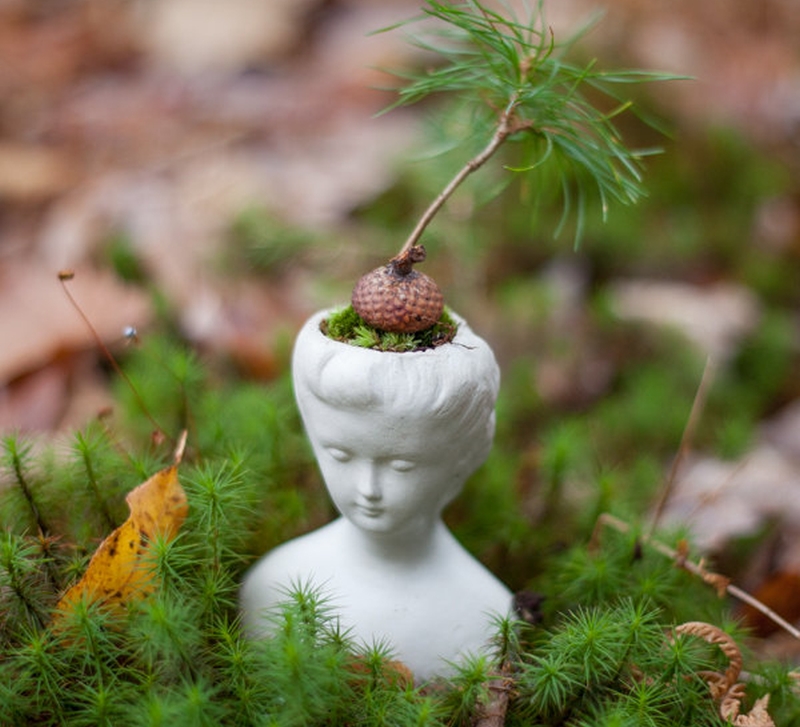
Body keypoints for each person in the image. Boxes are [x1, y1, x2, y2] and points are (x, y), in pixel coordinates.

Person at [240, 310, 512, 681]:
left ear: (459, 458)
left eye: (401, 465)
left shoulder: (486, 620)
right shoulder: (273, 588)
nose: (368, 488)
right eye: (340, 455)